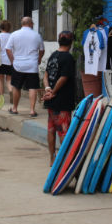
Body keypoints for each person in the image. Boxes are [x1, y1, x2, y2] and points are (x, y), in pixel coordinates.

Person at [43, 31, 76, 165]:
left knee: (51, 129)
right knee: (63, 131)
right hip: (62, 100)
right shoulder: (68, 58)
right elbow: (64, 78)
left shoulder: (53, 55)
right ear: (71, 42)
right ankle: (64, 162)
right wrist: (54, 92)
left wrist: (47, 89)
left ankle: (52, 158)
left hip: (51, 100)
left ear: (58, 41)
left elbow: (46, 74)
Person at [5, 16, 45, 117]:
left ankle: (14, 108)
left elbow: (8, 49)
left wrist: (12, 60)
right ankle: (32, 110)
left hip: (18, 65)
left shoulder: (14, 34)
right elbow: (42, 49)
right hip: (32, 65)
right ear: (31, 24)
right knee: (32, 87)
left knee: (16, 87)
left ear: (22, 23)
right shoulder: (37, 35)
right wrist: (39, 59)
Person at [0, 20, 13, 97]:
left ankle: (1, 97)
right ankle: (11, 90)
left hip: (0, 60)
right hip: (10, 60)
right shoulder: (12, 36)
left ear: (0, 27)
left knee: (0, 79)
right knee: (9, 79)